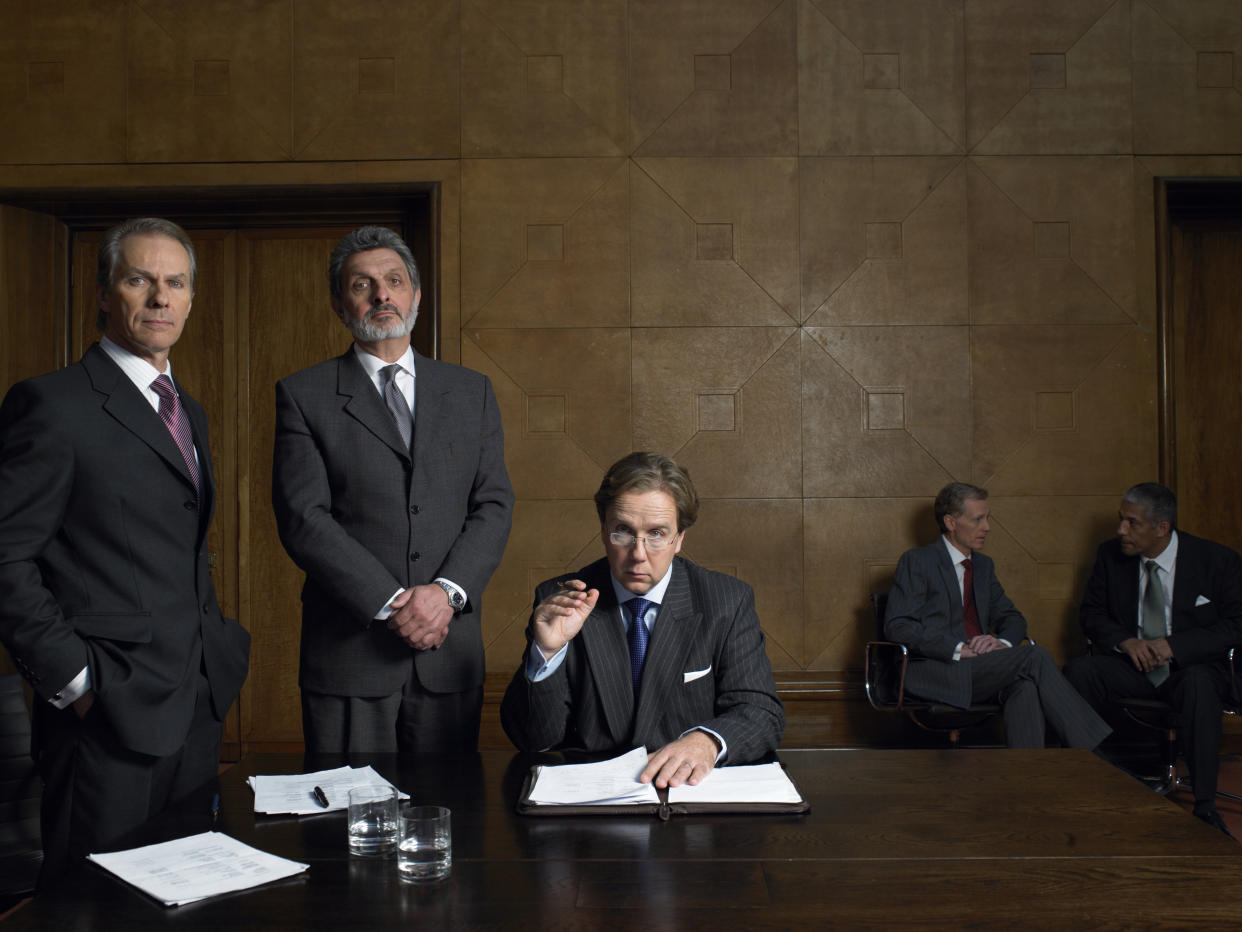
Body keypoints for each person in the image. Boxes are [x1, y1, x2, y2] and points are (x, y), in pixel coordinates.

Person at [0, 218, 251, 883]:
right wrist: (76, 683)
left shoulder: (186, 410)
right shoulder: (52, 405)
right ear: (105, 293)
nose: (160, 298)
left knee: (185, 893)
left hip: (194, 704)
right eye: (140, 279)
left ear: (192, 299)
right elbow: (4, 558)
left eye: (175, 283)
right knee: (95, 905)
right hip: (106, 713)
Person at [272, 225, 513, 755]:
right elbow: (303, 519)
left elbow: (492, 504)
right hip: (350, 657)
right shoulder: (303, 395)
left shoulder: (470, 391)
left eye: (394, 280)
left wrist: (445, 595)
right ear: (340, 305)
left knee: (451, 820)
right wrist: (392, 603)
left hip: (449, 653)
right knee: (346, 827)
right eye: (363, 285)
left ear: (416, 295)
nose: (382, 295)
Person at [500, 452, 784, 788]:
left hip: (690, 796)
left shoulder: (726, 601)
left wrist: (707, 741)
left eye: (657, 534)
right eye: (623, 532)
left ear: (679, 539)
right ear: (603, 530)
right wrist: (546, 653)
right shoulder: (559, 601)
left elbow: (760, 713)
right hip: (589, 799)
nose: (638, 553)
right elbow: (533, 739)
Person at [1065, 482, 1242, 835]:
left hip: (1190, 670)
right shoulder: (1110, 556)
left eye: (1132, 523)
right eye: (1120, 520)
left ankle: (1204, 806)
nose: (1121, 531)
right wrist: (1126, 642)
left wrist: (1175, 645)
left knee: (1199, 683)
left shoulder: (1217, 560)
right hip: (1134, 668)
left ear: (1162, 528)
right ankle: (1106, 779)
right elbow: (1092, 614)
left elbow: (1236, 625)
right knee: (1078, 671)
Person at [884, 481, 1110, 750]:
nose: (987, 527)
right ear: (951, 522)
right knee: (1034, 656)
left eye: (987, 518)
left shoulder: (983, 566)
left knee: (1024, 687)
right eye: (978, 519)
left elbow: (1012, 618)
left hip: (982, 668)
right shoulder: (918, 561)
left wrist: (1001, 643)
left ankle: (1023, 784)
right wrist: (957, 649)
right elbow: (898, 626)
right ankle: (1093, 755)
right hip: (939, 670)